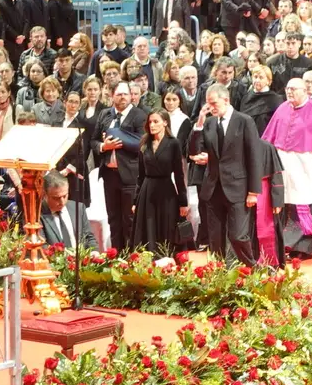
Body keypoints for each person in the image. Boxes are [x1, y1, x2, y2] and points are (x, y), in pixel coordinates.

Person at [261, 78, 312, 258]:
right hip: (284, 169)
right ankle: (285, 245)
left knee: (306, 204)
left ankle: (305, 249)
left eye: (294, 89)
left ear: (305, 91)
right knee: (286, 205)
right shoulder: (282, 109)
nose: (289, 92)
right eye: (287, 88)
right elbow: (270, 141)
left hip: (307, 169)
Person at [189, 83, 262, 266]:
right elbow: (193, 151)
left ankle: (251, 267)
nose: (211, 108)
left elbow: (254, 156)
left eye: (214, 104)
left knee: (238, 235)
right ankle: (222, 274)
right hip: (213, 188)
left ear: (226, 100)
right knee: (216, 238)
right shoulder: (209, 122)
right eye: (208, 104)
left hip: (238, 188)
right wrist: (199, 122)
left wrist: (254, 191)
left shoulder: (244, 121)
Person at [92, 82, 147, 251]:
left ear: (131, 96)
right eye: (119, 94)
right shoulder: (104, 114)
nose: (122, 97)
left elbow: (143, 143)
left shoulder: (140, 115)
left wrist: (119, 141)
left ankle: (132, 258)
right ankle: (116, 257)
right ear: (112, 95)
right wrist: (104, 147)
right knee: (113, 219)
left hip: (130, 175)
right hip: (109, 174)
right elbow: (93, 141)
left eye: (125, 94)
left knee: (129, 219)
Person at [131, 108, 188, 255]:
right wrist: (135, 200)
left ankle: (165, 259)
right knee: (147, 227)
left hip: (166, 191)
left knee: (166, 227)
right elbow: (140, 175)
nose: (152, 125)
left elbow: (179, 175)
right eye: (150, 122)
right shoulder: (144, 142)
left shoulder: (173, 143)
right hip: (147, 191)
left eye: (156, 121)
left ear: (165, 122)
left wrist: (183, 202)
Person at [42, 168, 97, 250]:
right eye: (56, 198)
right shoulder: (36, 216)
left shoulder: (78, 208)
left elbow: (89, 238)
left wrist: (94, 252)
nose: (62, 201)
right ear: (45, 194)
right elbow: (42, 247)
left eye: (65, 196)